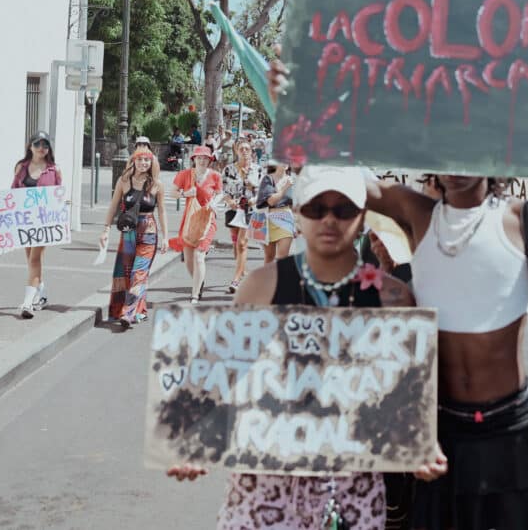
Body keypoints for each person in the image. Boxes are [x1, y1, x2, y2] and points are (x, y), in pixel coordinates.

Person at [267, 46, 528, 530]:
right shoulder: (418, 214)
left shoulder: (525, 219)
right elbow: (345, 171)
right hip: (436, 432)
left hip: (510, 434)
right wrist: (297, 106)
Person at [168, 166, 420, 530]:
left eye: (344, 209)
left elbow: (406, 393)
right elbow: (215, 373)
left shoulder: (392, 297)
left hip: (353, 485)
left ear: (363, 217)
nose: (329, 220)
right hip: (266, 485)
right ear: (298, 216)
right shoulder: (261, 286)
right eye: (316, 209)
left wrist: (419, 445)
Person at [99, 147, 168, 327]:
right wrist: (105, 229)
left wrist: (166, 237)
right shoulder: (124, 181)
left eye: (147, 160)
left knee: (139, 273)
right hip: (128, 233)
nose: (143, 163)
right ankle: (138, 309)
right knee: (126, 273)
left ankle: (127, 312)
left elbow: (162, 211)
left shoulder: (157, 185)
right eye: (140, 159)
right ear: (134, 161)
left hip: (149, 233)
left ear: (152, 162)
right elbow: (113, 206)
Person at [11, 131, 63, 319]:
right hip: (25, 221)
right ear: (30, 146)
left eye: (45, 145)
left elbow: (58, 195)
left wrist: (63, 205)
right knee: (30, 259)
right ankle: (41, 295)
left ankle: (27, 304)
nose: (41, 148)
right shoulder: (21, 167)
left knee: (34, 259)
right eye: (37, 144)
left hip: (44, 222)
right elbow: (13, 191)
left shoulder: (54, 169)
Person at [169, 145, 222, 304]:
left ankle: (195, 294)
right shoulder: (184, 175)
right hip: (190, 220)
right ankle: (199, 281)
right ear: (194, 159)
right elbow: (172, 193)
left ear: (210, 160)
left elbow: (220, 194)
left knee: (199, 256)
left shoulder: (215, 176)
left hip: (207, 220)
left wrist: (214, 202)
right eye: (199, 158)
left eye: (205, 158)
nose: (202, 160)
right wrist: (185, 193)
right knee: (189, 259)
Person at [221, 140, 260, 292]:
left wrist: (253, 197)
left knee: (242, 243)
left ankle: (236, 280)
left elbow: (263, 192)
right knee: (235, 243)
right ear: (236, 151)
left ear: (251, 151)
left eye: (247, 149)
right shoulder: (229, 169)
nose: (244, 151)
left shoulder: (257, 170)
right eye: (241, 148)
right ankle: (243, 270)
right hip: (233, 209)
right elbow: (224, 190)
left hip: (249, 210)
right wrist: (230, 201)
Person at [256, 160, 295, 265]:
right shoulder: (268, 179)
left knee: (283, 257)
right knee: (269, 257)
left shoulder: (293, 180)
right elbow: (271, 201)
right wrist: (285, 188)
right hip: (268, 219)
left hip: (286, 218)